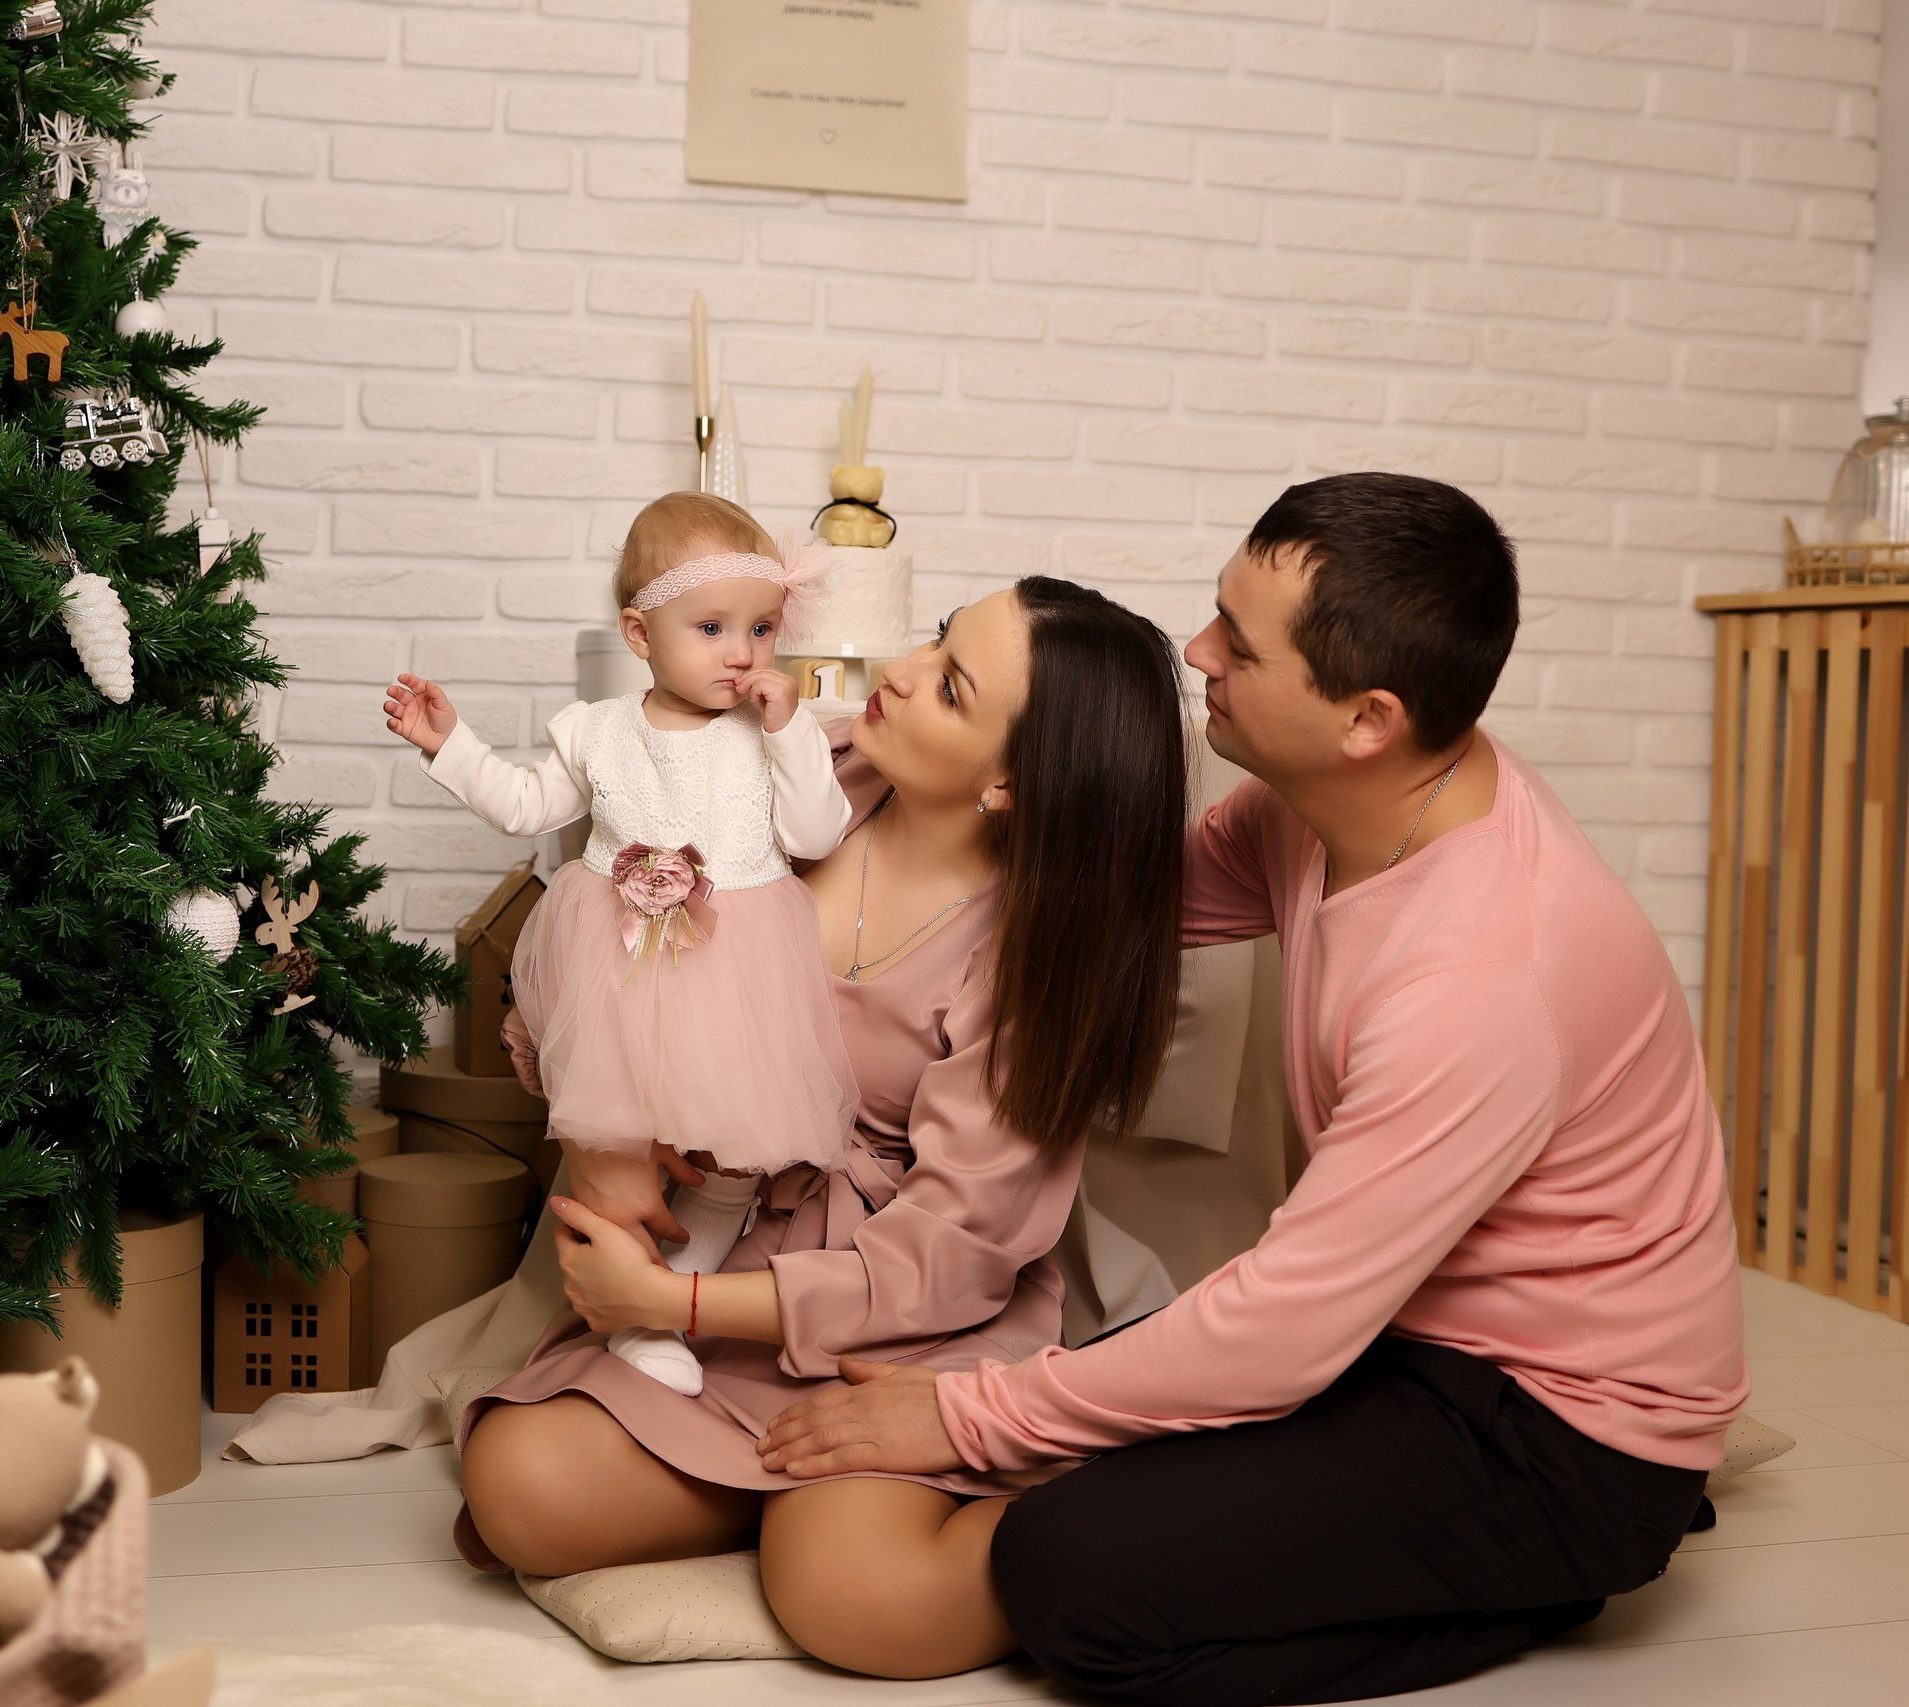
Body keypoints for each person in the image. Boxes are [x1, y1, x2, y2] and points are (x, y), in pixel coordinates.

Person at [760, 472, 1750, 1704]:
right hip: (1382, 1337)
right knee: (1120, 1407)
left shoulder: (1486, 974)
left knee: (1071, 1583)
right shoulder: (1321, 809)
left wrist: (964, 1419)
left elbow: (1280, 1328)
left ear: (1365, 719)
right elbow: (1104, 895)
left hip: (1553, 1432)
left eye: (1239, 641)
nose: (1197, 651)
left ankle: (1555, 1579)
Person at [456, 577, 1191, 1682]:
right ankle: (783, 1493)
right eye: (937, 636)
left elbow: (954, 1249)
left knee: (863, 1611)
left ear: (1008, 782)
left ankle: (1065, 1471)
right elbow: (587, 952)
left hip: (902, 1324)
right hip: (725, 1245)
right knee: (520, 1487)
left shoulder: (1031, 957)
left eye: (948, 684)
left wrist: (678, 1304)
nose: (895, 669)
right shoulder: (795, 769)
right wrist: (633, 1134)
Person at [384, 491, 858, 1398]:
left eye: (761, 628)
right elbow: (526, 806)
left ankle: (670, 1299)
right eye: (712, 626)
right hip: (624, 967)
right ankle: (632, 1322)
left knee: (736, 1156)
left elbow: (817, 833)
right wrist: (452, 746)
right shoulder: (599, 730)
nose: (741, 652)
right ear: (640, 634)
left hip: (737, 967)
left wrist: (792, 733)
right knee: (626, 1153)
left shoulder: (765, 734)